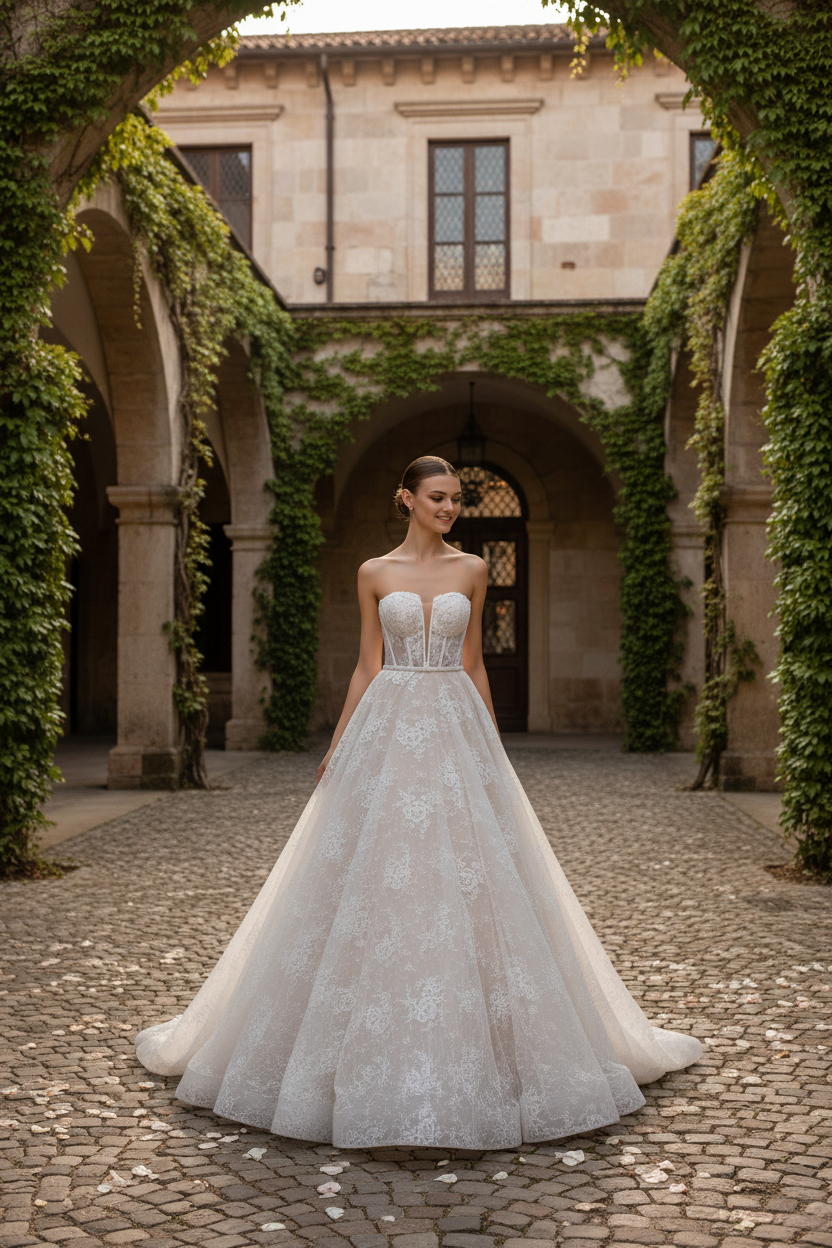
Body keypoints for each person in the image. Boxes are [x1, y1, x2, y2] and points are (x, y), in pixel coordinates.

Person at [135, 454, 702, 1148]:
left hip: (455, 720)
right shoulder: (375, 572)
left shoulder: (473, 569)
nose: (450, 508)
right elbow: (367, 664)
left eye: (456, 498)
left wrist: (491, 745)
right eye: (438, 497)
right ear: (406, 498)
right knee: (377, 867)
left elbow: (474, 662)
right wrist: (339, 745)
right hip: (390, 721)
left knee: (472, 868)